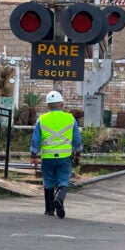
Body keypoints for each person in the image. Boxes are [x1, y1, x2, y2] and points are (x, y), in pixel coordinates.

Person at [30, 90, 83, 219]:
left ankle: (49, 210)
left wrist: (33, 155)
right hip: (64, 157)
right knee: (64, 180)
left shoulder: (42, 119)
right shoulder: (70, 119)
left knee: (48, 181)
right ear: (61, 104)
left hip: (47, 157)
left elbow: (35, 139)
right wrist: (78, 153)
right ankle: (59, 198)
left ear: (48, 106)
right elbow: (77, 139)